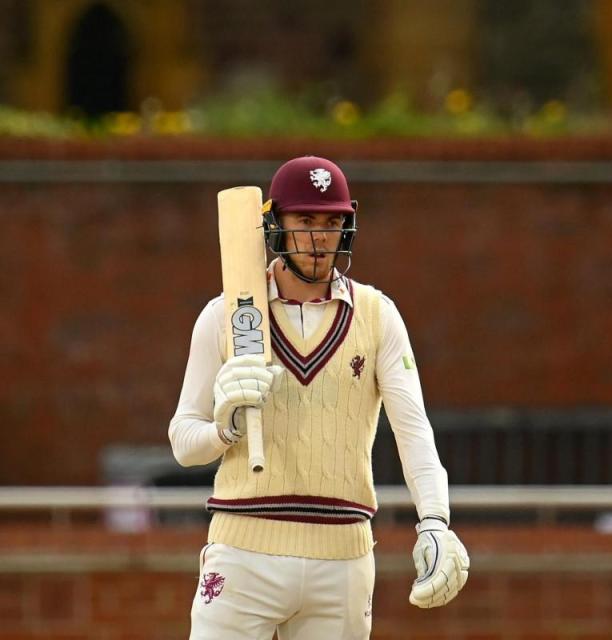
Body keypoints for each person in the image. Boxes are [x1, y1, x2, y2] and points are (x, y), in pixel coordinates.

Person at [169, 156, 469, 639]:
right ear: (276, 225)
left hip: (343, 558)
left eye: (331, 223)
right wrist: (227, 427)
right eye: (304, 220)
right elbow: (184, 442)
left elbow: (414, 428)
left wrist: (434, 520)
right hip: (244, 551)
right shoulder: (224, 315)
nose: (318, 237)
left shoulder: (377, 315)